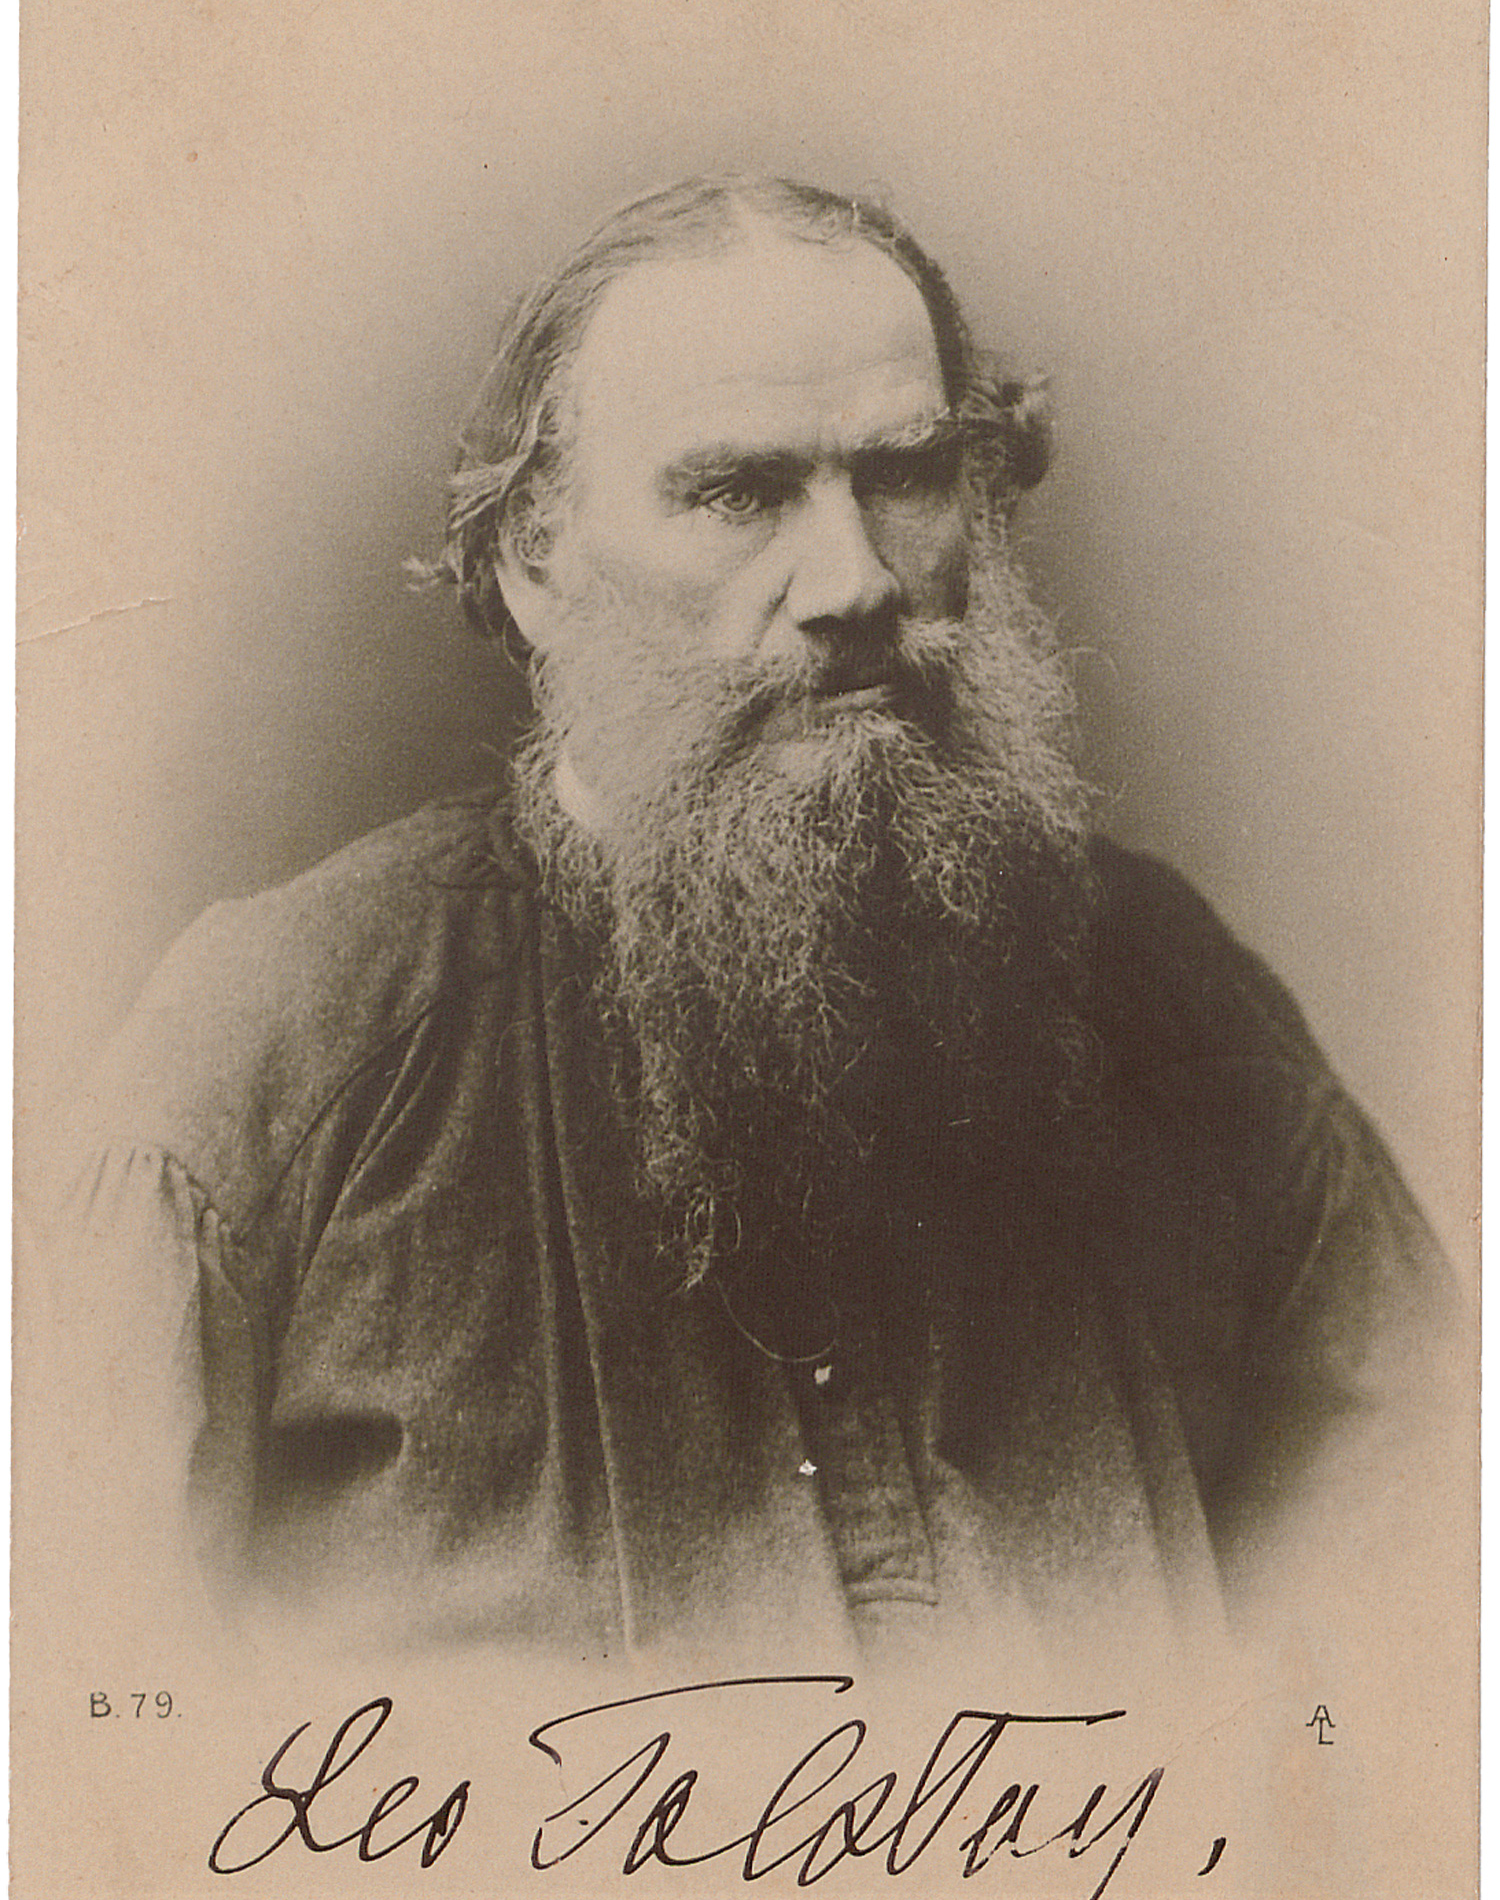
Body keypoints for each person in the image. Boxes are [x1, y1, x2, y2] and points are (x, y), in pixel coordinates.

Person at [52, 176, 1450, 1667]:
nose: (854, 582)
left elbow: (1422, 1621)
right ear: (533, 559)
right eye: (738, 494)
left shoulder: (1177, 1004)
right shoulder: (281, 1050)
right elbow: (93, 1734)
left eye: (906, 473)